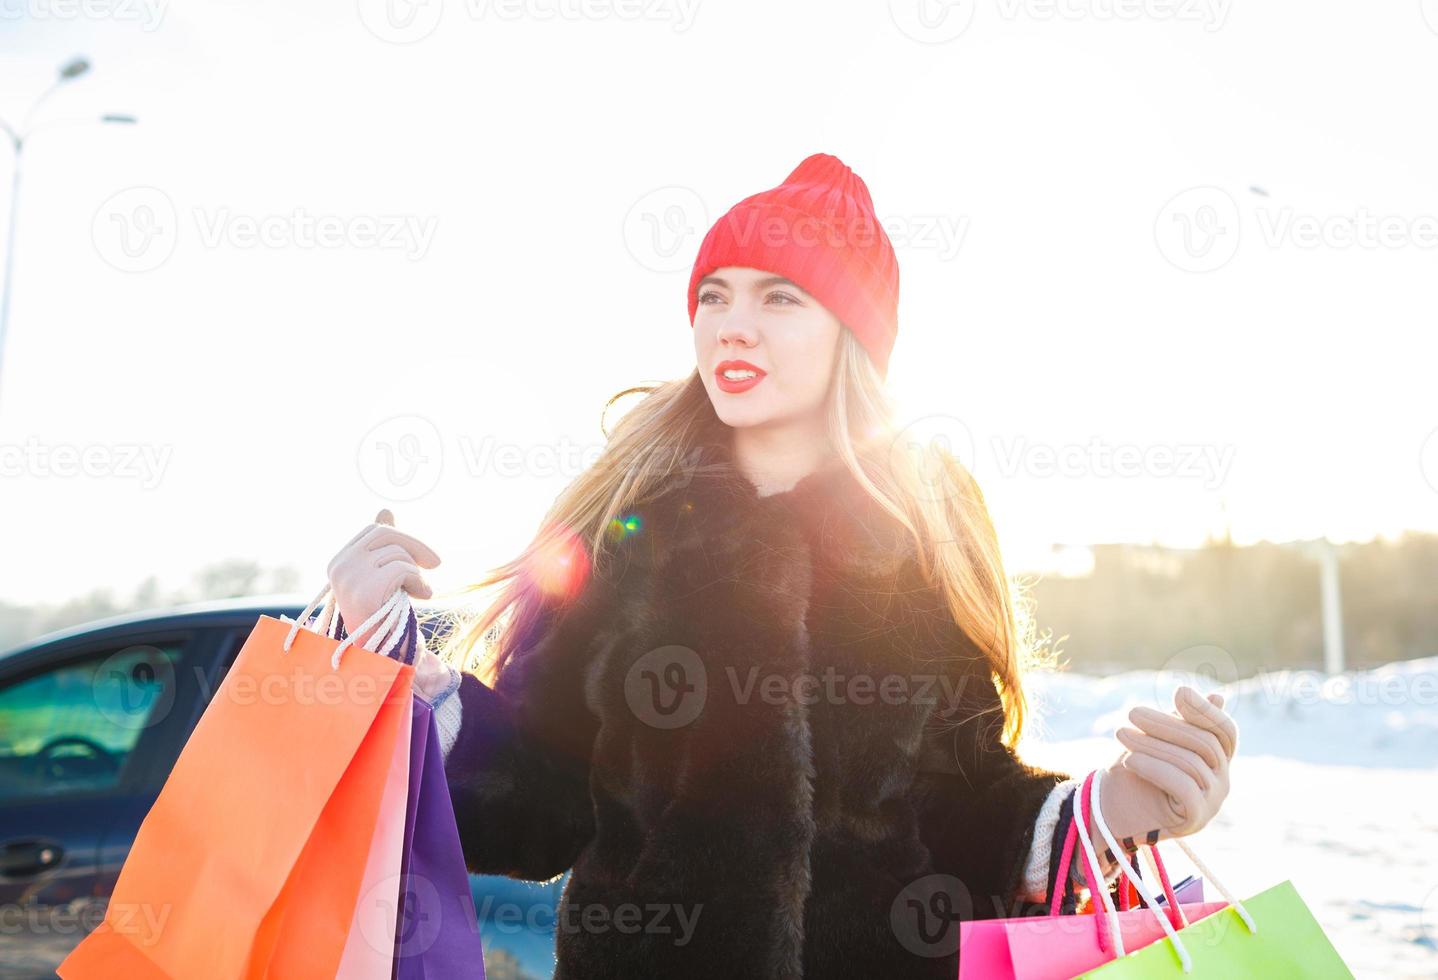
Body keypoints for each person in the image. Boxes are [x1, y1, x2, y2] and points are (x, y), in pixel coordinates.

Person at [323, 153, 1239, 979]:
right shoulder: (629, 535)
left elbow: (966, 806)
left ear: (853, 333)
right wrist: (398, 676)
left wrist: (1119, 808)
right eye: (713, 294)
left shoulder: (920, 535)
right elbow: (540, 804)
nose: (733, 325)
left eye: (780, 297)